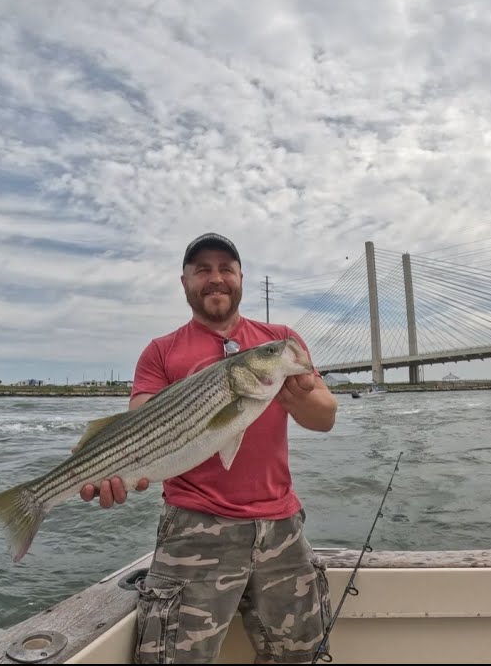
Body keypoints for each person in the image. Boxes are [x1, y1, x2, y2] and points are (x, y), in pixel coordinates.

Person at [78, 232, 338, 664]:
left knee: (300, 656)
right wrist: (116, 468)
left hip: (282, 528)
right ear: (184, 282)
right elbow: (139, 426)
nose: (215, 279)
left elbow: (325, 417)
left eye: (226, 269)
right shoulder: (160, 352)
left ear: (241, 278)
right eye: (203, 270)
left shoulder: (280, 339)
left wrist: (299, 391)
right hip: (194, 529)